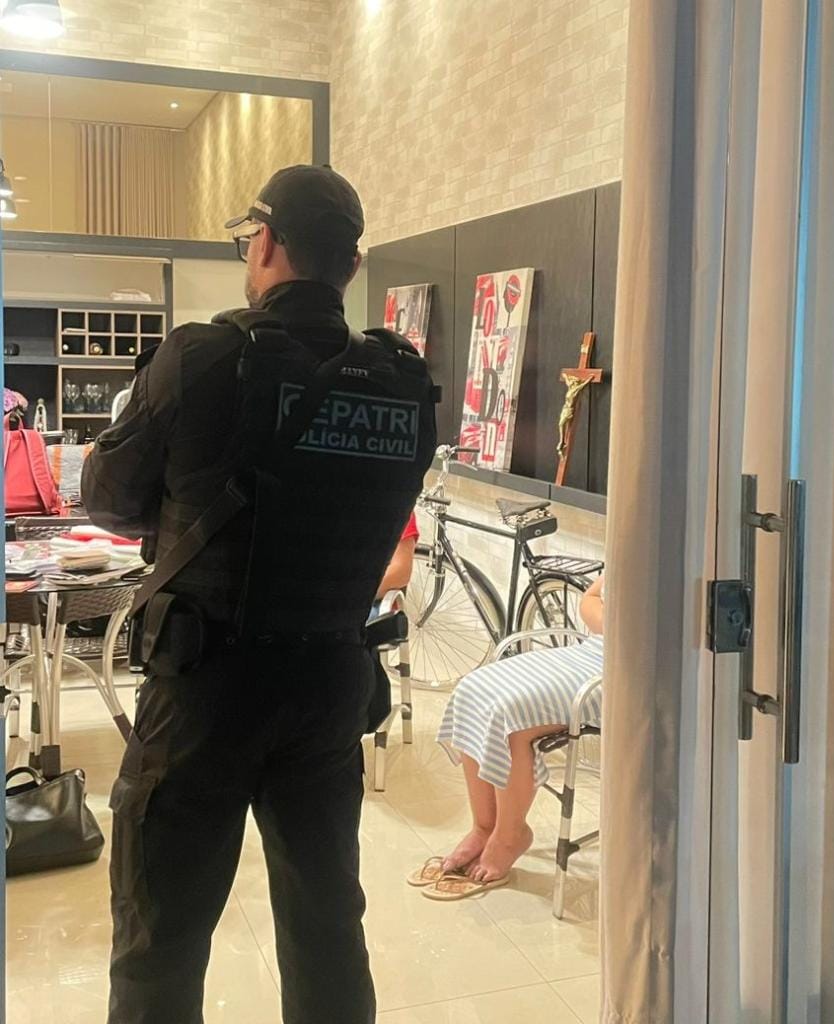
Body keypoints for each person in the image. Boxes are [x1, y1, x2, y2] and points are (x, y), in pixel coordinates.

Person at [82, 165, 438, 1024]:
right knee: (326, 928)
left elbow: (108, 499)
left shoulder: (203, 357)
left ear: (267, 242)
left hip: (208, 685)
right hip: (330, 683)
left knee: (161, 938)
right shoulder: (401, 380)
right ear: (352, 266)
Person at [409, 575, 604, 898]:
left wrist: (611, 621)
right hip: (588, 651)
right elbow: (591, 599)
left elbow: (634, 632)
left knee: (510, 717)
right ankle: (484, 827)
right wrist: (610, 621)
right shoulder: (631, 554)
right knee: (473, 688)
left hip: (621, 672)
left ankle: (510, 834)